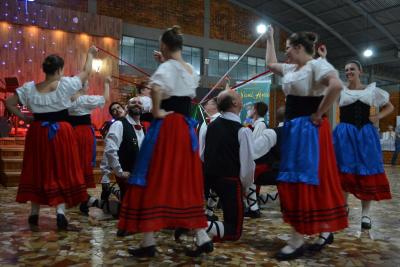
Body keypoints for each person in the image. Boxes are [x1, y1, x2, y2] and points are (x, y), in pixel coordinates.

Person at [117, 26, 212, 258]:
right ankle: (202, 236)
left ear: (164, 47)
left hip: (166, 128)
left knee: (151, 176)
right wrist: (164, 64)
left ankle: (148, 241)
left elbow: (159, 87)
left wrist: (157, 109)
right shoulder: (189, 68)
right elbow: (175, 82)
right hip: (184, 128)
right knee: (184, 179)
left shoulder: (168, 68)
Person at [266, 27, 348, 260]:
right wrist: (270, 38)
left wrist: (319, 113)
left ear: (299, 48)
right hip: (295, 129)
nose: (286, 53)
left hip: (308, 130)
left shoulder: (317, 65)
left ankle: (297, 239)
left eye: (288, 48)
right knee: (300, 179)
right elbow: (271, 64)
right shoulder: (293, 68)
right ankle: (321, 230)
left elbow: (336, 86)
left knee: (303, 180)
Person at [5, 46, 98, 231]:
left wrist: (24, 118)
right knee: (61, 169)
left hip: (37, 131)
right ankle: (60, 213)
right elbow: (87, 72)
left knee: (38, 169)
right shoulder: (65, 85)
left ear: (44, 70)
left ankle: (34, 212)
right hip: (61, 132)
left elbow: (9, 103)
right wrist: (91, 54)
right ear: (59, 70)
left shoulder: (30, 89)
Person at [330, 59, 394, 230]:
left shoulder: (372, 91)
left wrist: (378, 117)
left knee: (367, 171)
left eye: (352, 69)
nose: (348, 72)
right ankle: (343, 207)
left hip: (366, 134)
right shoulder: (340, 90)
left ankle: (365, 214)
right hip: (344, 134)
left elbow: (390, 106)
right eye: (346, 69)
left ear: (360, 71)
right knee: (344, 170)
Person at [202, 89, 256, 241]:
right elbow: (247, 165)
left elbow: (203, 154)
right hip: (231, 181)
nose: (241, 97)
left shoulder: (210, 126)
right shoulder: (242, 131)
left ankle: (203, 230)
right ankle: (197, 226)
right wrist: (245, 186)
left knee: (230, 222)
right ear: (235, 103)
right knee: (234, 230)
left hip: (212, 179)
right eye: (238, 95)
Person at [69, 77, 110, 214]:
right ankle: (83, 198)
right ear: (81, 87)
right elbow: (104, 99)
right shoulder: (84, 99)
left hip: (69, 132)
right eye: (87, 85)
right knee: (83, 163)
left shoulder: (66, 99)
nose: (88, 87)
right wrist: (106, 83)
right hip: (82, 133)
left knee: (73, 164)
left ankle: (77, 196)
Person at [244, 101, 269, 218]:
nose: (249, 110)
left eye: (251, 108)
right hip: (255, 159)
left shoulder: (260, 125)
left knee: (246, 177)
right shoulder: (255, 124)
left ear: (255, 110)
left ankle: (253, 207)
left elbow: (253, 144)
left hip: (259, 161)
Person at [198, 97, 221, 221]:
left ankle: (210, 212)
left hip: (212, 160)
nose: (205, 105)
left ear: (215, 106)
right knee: (208, 186)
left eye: (209, 103)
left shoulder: (217, 121)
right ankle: (208, 212)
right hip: (204, 159)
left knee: (213, 186)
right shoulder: (206, 121)